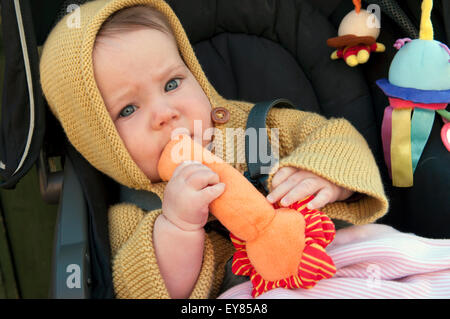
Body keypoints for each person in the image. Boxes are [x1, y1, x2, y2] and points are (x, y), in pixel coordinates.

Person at [39, 0, 389, 299]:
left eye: (172, 84)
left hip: (339, 264)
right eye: (128, 110)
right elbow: (146, 288)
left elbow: (334, 137)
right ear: (101, 144)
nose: (165, 114)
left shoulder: (253, 127)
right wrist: (176, 227)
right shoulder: (131, 213)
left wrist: (326, 175)